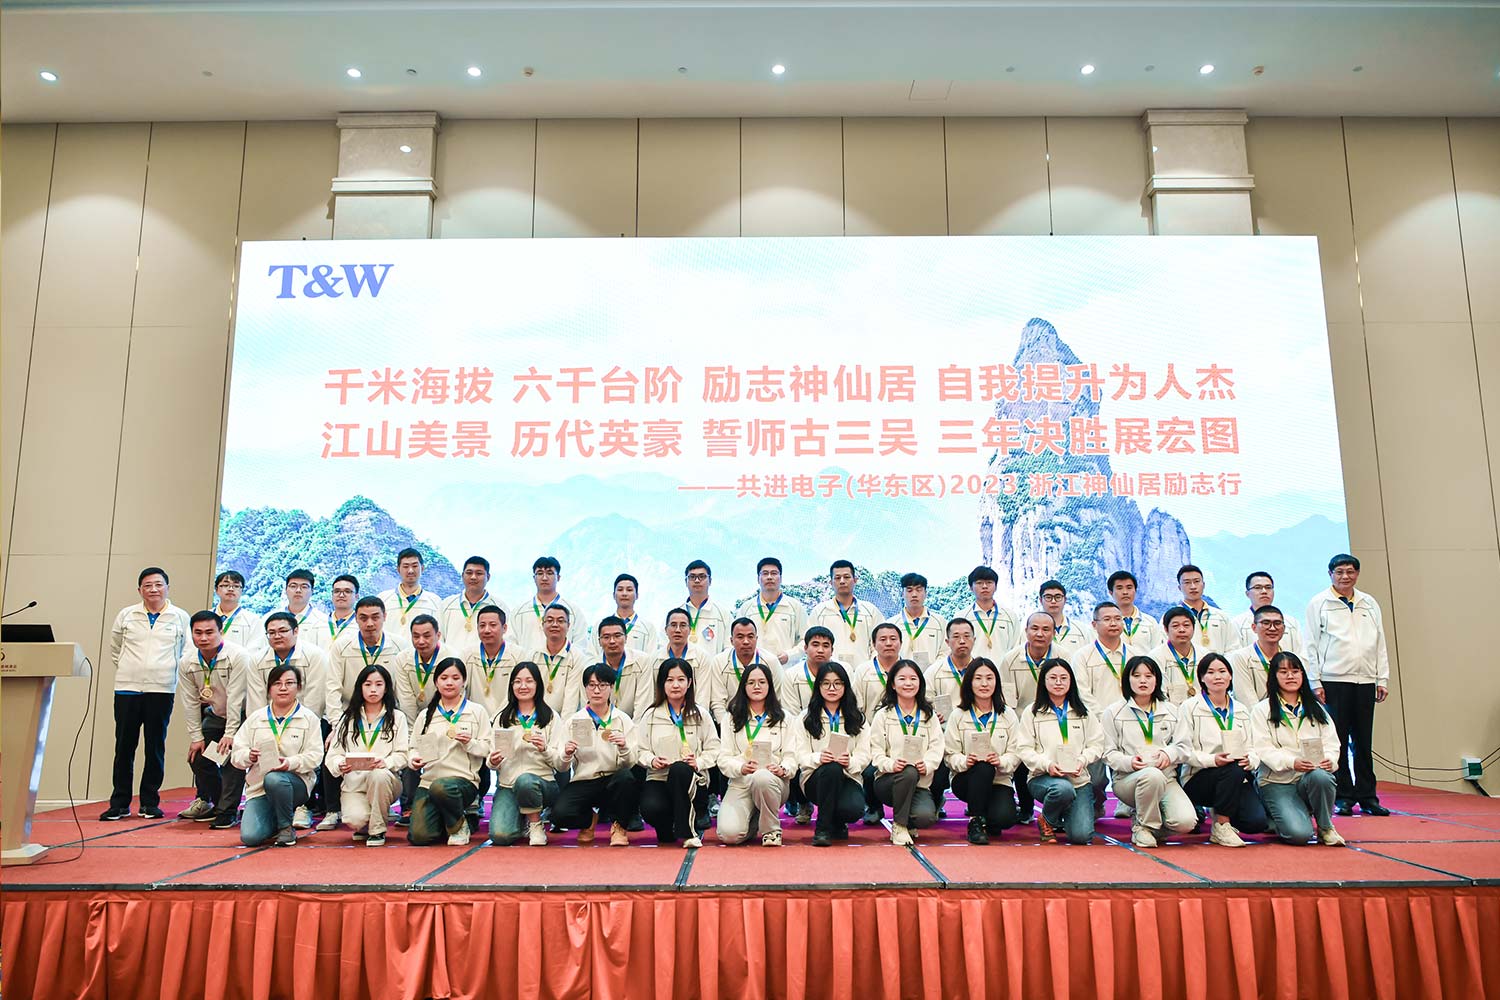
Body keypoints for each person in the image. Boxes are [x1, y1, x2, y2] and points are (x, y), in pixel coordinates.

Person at [1305, 553, 1391, 818]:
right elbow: (1310, 644)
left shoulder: (1369, 603)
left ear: (1357, 574)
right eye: (1340, 572)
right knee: (1338, 740)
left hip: (1365, 680)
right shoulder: (1319, 603)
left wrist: (1382, 678)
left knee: (1364, 741)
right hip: (1334, 681)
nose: (1345, 576)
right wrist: (1314, 681)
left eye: (1350, 571)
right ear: (1330, 574)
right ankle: (1343, 796)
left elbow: (1379, 642)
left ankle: (1367, 797)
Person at [102, 567, 190, 821]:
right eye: (148, 585)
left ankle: (150, 802)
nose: (153, 589)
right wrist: (132, 669)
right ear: (139, 590)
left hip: (161, 689)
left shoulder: (179, 616)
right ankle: (119, 803)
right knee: (124, 746)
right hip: (127, 688)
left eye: (158, 584)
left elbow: (186, 652)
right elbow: (116, 649)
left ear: (167, 588)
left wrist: (164, 673)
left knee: (155, 747)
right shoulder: (127, 615)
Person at [1250, 652, 1346, 846]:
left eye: (1295, 671)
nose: (1290, 676)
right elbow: (1262, 749)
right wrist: (1291, 762)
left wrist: (1329, 760)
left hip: (1308, 778)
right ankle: (1276, 814)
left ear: (1302, 674)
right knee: (1299, 835)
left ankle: (1325, 827)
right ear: (1274, 676)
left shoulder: (1316, 709)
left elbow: (1331, 743)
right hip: (1277, 782)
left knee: (1322, 777)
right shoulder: (1262, 710)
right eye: (1283, 672)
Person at [1100, 656, 1197, 848]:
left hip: (1166, 778)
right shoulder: (1113, 712)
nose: (1142, 681)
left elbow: (1184, 746)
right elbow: (1107, 753)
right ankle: (1143, 827)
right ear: (1127, 679)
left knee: (1186, 822)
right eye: (1136, 676)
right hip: (1128, 779)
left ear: (1157, 679)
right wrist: (1129, 762)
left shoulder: (1172, 710)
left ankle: (1149, 826)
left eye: (1148, 676)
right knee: (1151, 775)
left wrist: (1168, 754)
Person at [1174, 652, 1269, 847]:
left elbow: (1252, 747)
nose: (1217, 677)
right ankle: (1222, 825)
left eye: (1222, 671)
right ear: (1201, 678)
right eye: (1210, 672)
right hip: (1199, 777)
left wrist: (1251, 760)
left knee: (1256, 822)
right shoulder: (1189, 707)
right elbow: (1183, 749)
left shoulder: (1241, 710)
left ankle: (1220, 808)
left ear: (1230, 676)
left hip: (1235, 775)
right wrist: (1212, 760)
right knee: (1233, 768)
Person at [248, 611, 333, 829]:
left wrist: (301, 723)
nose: (277, 636)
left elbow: (315, 697)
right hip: (271, 719)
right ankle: (267, 804)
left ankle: (304, 805)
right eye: (271, 632)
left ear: (296, 631)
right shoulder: (257, 660)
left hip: (307, 719)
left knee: (306, 756)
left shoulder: (315, 656)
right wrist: (260, 727)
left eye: (283, 631)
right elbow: (256, 699)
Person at [230, 663, 323, 847]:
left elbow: (315, 756)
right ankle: (275, 819)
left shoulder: (309, 718)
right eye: (277, 683)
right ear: (269, 688)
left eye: (289, 683)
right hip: (259, 788)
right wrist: (249, 756)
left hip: (295, 783)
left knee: (274, 779)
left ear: (299, 687)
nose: (283, 688)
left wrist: (289, 763)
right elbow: (236, 754)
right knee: (250, 837)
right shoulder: (256, 718)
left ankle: (286, 828)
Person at [1015, 658, 1106, 845]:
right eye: (1053, 678)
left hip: (1078, 780)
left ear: (1071, 681)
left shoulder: (1084, 712)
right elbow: (1023, 749)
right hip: (1044, 778)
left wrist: (1083, 760)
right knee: (1062, 789)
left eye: (1064, 678)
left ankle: (1059, 814)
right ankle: (1047, 819)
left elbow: (1097, 745)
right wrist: (1047, 765)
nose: (1058, 682)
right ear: (1044, 681)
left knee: (1081, 837)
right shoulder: (1032, 712)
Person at [550, 664, 640, 847]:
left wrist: (624, 747)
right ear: (585, 688)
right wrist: (566, 754)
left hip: (613, 780)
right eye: (591, 685)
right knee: (559, 815)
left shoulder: (622, 720)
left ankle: (619, 826)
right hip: (584, 780)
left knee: (627, 779)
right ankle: (589, 820)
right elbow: (561, 766)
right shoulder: (574, 721)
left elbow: (632, 762)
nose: (597, 690)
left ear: (612, 687)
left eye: (602, 685)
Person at [635, 657, 721, 848]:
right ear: (662, 683)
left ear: (689, 683)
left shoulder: (701, 715)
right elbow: (640, 749)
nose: (675, 685)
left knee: (680, 769)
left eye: (681, 680)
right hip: (659, 777)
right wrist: (652, 760)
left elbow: (715, 749)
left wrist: (698, 762)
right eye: (670, 680)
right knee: (651, 808)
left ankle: (688, 832)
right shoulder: (651, 715)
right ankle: (668, 826)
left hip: (693, 780)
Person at [176, 610, 252, 824]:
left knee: (232, 760)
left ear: (221, 631)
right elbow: (190, 702)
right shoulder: (187, 662)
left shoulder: (237, 656)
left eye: (209, 632)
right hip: (216, 715)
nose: (203, 638)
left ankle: (227, 812)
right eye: (198, 632)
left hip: (243, 717)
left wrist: (231, 734)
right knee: (199, 758)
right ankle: (219, 804)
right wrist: (196, 737)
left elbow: (236, 697)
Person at [406, 657, 491, 846]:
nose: (449, 682)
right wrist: (414, 760)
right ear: (436, 682)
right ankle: (455, 819)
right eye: (444, 678)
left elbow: (487, 748)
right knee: (419, 837)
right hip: (429, 782)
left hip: (463, 782)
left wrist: (470, 743)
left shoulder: (477, 711)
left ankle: (459, 825)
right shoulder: (426, 715)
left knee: (441, 788)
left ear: (464, 681)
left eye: (455, 678)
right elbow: (412, 748)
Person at [787, 662, 869, 847]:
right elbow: (799, 753)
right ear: (818, 686)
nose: (832, 688)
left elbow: (865, 754)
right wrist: (818, 758)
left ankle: (836, 821)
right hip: (815, 778)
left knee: (854, 809)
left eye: (838, 683)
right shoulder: (805, 717)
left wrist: (850, 761)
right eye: (826, 683)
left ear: (846, 686)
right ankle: (822, 829)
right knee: (831, 768)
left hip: (848, 776)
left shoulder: (857, 717)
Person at [326, 664, 409, 847]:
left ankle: (377, 829)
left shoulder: (397, 717)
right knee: (354, 820)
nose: (373, 689)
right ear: (360, 687)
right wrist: (340, 764)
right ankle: (366, 823)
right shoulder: (347, 718)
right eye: (368, 684)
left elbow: (403, 755)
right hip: (354, 784)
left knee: (378, 775)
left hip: (385, 781)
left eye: (379, 684)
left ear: (386, 688)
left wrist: (386, 762)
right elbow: (333, 755)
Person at [943, 658, 1020, 844]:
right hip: (967, 779)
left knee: (1004, 819)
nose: (984, 684)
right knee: (983, 768)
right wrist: (965, 761)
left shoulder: (1008, 714)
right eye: (978, 678)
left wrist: (1001, 761)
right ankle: (975, 820)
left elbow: (1016, 751)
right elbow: (950, 754)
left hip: (999, 779)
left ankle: (989, 817)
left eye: (989, 678)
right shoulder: (958, 715)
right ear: (969, 682)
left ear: (997, 682)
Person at [717, 662, 794, 846]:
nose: (757, 686)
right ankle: (755, 820)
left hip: (773, 782)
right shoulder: (731, 718)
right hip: (741, 782)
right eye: (751, 682)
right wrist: (741, 767)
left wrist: (782, 769)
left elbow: (791, 756)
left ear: (770, 685)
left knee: (762, 778)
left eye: (762, 682)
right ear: (743, 686)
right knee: (729, 836)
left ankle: (771, 831)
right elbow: (723, 758)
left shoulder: (785, 718)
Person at [996, 612, 1062, 823]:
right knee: (1022, 757)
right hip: (1020, 720)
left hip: (1055, 719)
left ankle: (1058, 810)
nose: (1040, 634)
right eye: (1035, 628)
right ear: (1026, 631)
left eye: (1046, 629)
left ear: (1054, 633)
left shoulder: (1063, 657)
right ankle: (1026, 808)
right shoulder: (1010, 660)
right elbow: (1007, 700)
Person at [869, 660, 945, 845]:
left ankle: (908, 820)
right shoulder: (883, 715)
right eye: (902, 679)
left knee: (925, 817)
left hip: (919, 782)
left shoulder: (929, 715)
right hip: (889, 780)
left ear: (920, 683)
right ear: (893, 684)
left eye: (913, 678)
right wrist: (891, 764)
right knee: (907, 772)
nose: (908, 683)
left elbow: (937, 747)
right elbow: (876, 751)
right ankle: (899, 825)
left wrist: (927, 765)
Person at [487, 661, 561, 846]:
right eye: (518, 681)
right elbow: (491, 759)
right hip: (508, 785)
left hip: (542, 784)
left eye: (529, 681)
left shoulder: (550, 717)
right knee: (500, 836)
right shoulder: (501, 718)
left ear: (538, 684)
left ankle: (535, 823)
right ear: (511, 685)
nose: (523, 686)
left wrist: (545, 749)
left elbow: (561, 764)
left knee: (525, 781)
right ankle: (522, 818)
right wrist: (493, 761)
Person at [780, 625, 841, 824]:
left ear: (832, 650)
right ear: (805, 648)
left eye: (826, 645)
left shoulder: (843, 671)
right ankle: (803, 802)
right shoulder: (791, 675)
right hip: (802, 731)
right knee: (794, 754)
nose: (820, 650)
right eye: (815, 644)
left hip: (835, 733)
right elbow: (790, 712)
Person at [392, 614, 448, 825]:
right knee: (410, 748)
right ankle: (408, 806)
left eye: (427, 635)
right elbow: (406, 699)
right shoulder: (403, 659)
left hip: (444, 715)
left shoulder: (450, 656)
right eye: (416, 636)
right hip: (414, 717)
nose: (421, 641)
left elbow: (452, 692)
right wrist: (414, 733)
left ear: (438, 635)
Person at [852, 622, 903, 823]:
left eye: (893, 639)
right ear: (873, 644)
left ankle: (909, 808)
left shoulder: (909, 670)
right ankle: (873, 806)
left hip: (904, 735)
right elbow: (857, 708)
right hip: (871, 734)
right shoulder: (863, 671)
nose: (888, 643)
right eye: (883, 639)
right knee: (868, 771)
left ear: (900, 643)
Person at [735, 557, 807, 666]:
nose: (769, 577)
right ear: (758, 579)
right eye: (765, 573)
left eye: (774, 573)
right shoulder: (746, 608)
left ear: (781, 578)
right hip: (753, 669)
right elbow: (737, 638)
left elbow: (805, 640)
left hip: (785, 669)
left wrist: (790, 655)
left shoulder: (795, 607)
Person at [511, 556, 591, 652]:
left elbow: (581, 645)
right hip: (527, 661)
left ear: (558, 577)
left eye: (550, 573)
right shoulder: (519, 612)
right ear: (534, 578)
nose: (544, 578)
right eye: (540, 573)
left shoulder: (573, 611)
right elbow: (511, 645)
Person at [809, 559, 882, 664]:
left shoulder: (870, 611)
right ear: (831, 582)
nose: (842, 581)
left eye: (847, 577)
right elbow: (811, 644)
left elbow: (879, 643)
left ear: (855, 580)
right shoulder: (819, 612)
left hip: (863, 672)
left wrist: (870, 667)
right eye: (837, 578)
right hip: (829, 672)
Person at [527, 604, 590, 716]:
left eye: (560, 621)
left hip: (564, 719)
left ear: (568, 625)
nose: (555, 624)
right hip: (535, 718)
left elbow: (571, 699)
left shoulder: (577, 657)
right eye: (550, 620)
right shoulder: (533, 655)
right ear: (542, 624)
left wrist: (562, 725)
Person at [709, 618, 773, 723]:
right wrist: (726, 727)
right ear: (731, 640)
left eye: (750, 637)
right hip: (729, 722)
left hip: (764, 722)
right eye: (740, 637)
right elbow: (718, 703)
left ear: (756, 639)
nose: (746, 641)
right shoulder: (719, 662)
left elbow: (777, 699)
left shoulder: (771, 661)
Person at [439, 556, 506, 655]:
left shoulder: (499, 606)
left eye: (479, 573)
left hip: (482, 662)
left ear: (488, 577)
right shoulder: (446, 604)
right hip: (451, 663)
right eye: (469, 573)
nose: (473, 577)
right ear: (462, 575)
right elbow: (439, 638)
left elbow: (505, 640)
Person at [1072, 601, 1131, 712]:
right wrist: (1103, 717)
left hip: (1131, 718)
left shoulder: (1135, 654)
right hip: (1097, 718)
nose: (1113, 623)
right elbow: (1082, 693)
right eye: (1107, 619)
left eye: (1118, 619)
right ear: (1094, 625)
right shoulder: (1082, 656)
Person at [1227, 605, 1292, 704]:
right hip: (1257, 713)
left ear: (1284, 628)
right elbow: (1246, 699)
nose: (1272, 628)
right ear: (1254, 627)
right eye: (1266, 623)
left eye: (1277, 623)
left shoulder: (1290, 658)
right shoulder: (1241, 658)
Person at [466, 605, 520, 720]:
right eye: (482, 625)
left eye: (493, 625)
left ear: (504, 628)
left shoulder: (518, 655)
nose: (487, 630)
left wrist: (497, 718)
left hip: (508, 718)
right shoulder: (467, 654)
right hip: (475, 719)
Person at [885, 573, 948, 668]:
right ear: (902, 594)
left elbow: (945, 651)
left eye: (919, 590)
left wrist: (933, 671)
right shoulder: (891, 624)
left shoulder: (940, 622)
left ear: (926, 593)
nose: (914, 595)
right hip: (901, 674)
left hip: (933, 675)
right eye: (909, 590)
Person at [1232, 572, 1304, 655]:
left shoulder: (1291, 623)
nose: (1264, 591)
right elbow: (1235, 655)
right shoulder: (1238, 623)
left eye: (1268, 587)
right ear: (1247, 594)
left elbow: (1301, 653)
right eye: (1258, 587)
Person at [380, 547, 443, 640]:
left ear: (422, 568)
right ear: (398, 569)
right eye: (406, 566)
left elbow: (439, 636)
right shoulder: (383, 599)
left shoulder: (435, 601)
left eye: (414, 566)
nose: (410, 570)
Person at [597, 615, 654, 719]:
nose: (612, 641)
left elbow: (643, 706)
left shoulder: (642, 661)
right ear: (599, 641)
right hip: (602, 723)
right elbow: (588, 706)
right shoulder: (592, 666)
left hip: (634, 724)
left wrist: (633, 729)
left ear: (626, 638)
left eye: (617, 636)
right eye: (606, 637)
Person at [965, 565, 1021, 660]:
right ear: (971, 588)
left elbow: (1016, 647)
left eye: (989, 582)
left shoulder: (1009, 616)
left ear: (996, 587)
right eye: (979, 583)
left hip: (1003, 668)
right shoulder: (963, 616)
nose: (984, 586)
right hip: (972, 668)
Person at [1175, 565, 1235, 653]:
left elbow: (1233, 648)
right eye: (1187, 582)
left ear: (1203, 585)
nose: (1193, 586)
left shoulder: (1221, 616)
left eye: (1196, 581)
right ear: (1179, 588)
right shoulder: (1171, 618)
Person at [1150, 607, 1201, 704]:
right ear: (1166, 629)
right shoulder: (1155, 657)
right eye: (1175, 626)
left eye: (1186, 625)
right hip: (1169, 711)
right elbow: (1160, 696)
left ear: (1194, 628)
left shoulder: (1204, 655)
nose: (1182, 630)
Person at [682, 560, 731, 654]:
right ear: (686, 581)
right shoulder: (676, 614)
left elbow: (729, 648)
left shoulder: (723, 614)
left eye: (702, 576)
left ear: (710, 581)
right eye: (692, 577)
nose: (697, 580)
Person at [1108, 570, 1164, 652]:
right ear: (1111, 592)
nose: (1125, 592)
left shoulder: (1150, 622)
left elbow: (1158, 651)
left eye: (1129, 588)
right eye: (1119, 588)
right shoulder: (1106, 623)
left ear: (1135, 590)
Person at [211, 570, 263, 650]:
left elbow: (255, 649)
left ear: (242, 590)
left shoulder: (253, 620)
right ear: (216, 589)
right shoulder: (205, 618)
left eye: (236, 586)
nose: (231, 589)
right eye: (226, 585)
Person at [611, 573, 660, 655]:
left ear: (637, 595)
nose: (624, 593)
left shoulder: (648, 627)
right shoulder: (600, 626)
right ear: (613, 595)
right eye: (620, 589)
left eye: (629, 590)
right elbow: (593, 656)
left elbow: (651, 658)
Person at [1039, 580, 1088, 659]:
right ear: (1041, 600)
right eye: (1048, 597)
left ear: (1065, 600)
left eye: (1058, 597)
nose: (1053, 601)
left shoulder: (1082, 629)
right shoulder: (1032, 630)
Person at [323, 574, 361, 650]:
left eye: (347, 591)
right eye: (337, 591)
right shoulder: (320, 622)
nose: (341, 595)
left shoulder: (361, 625)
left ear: (356, 596)